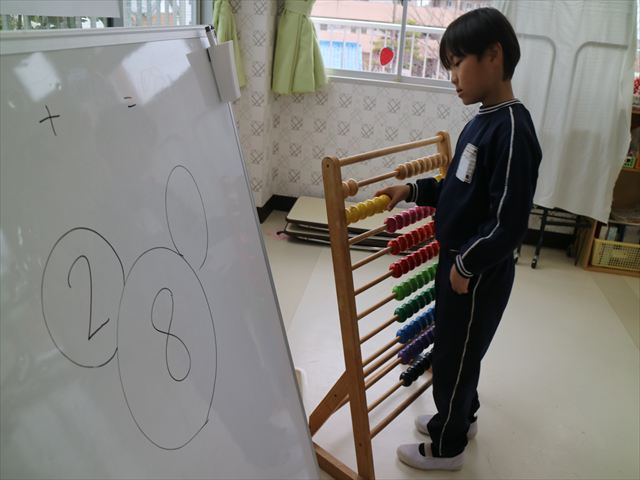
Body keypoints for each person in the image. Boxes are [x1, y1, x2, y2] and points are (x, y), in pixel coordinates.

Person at [376, 7, 542, 471]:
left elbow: (508, 221)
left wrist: (466, 265)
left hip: (475, 271)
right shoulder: (481, 120)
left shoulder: (512, 130)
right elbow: (456, 187)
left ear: (493, 55)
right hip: (460, 264)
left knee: (454, 356)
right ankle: (460, 417)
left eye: (457, 63)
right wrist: (411, 191)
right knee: (460, 350)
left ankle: (447, 447)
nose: (451, 76)